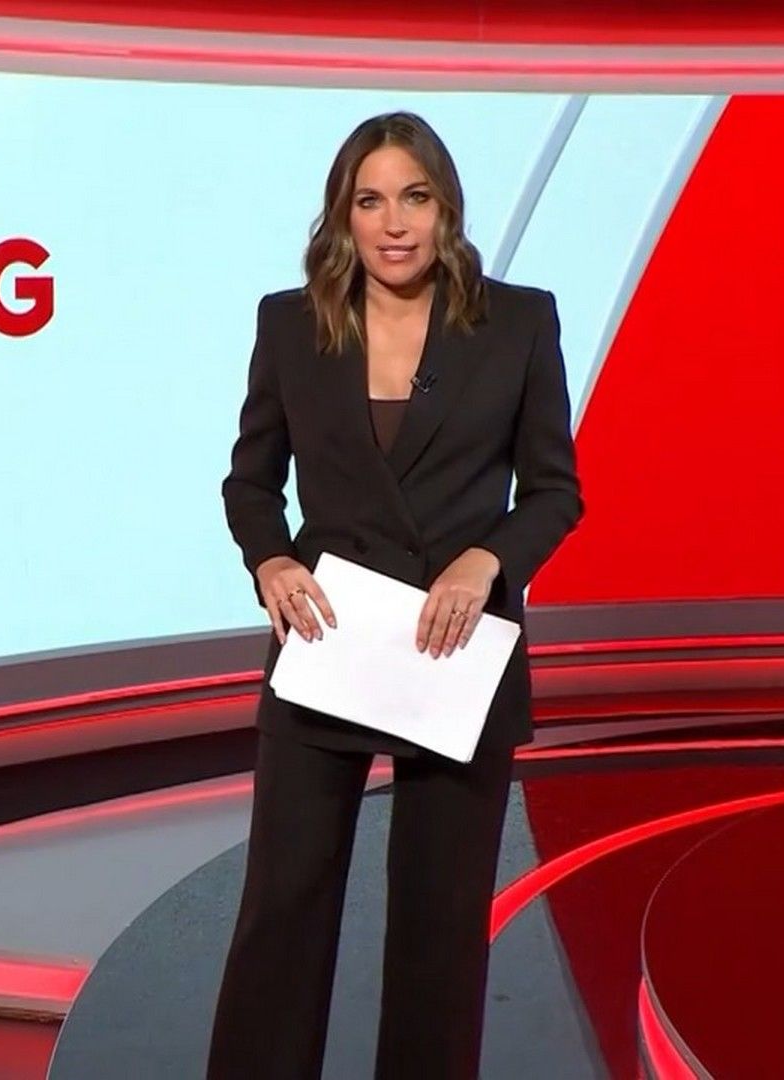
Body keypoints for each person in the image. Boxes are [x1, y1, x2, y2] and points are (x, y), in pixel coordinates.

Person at [206, 111, 584, 1079]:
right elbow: (251, 482)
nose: (394, 223)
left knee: (439, 924)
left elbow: (554, 491)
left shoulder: (518, 322)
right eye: (370, 201)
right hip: (327, 639)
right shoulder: (290, 324)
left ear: (445, 207)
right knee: (284, 906)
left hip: (454, 650)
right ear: (343, 216)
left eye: (414, 197)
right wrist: (271, 561)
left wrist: (487, 560)